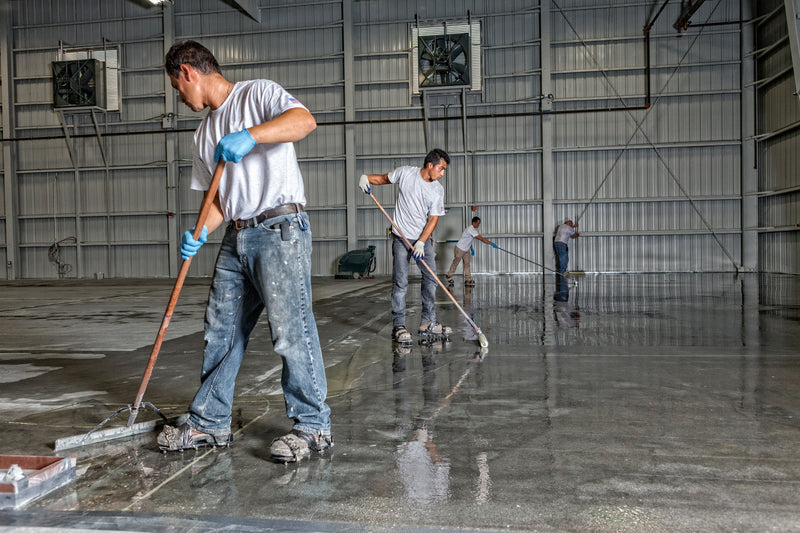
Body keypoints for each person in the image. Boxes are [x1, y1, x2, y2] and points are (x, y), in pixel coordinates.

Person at [156, 40, 332, 464]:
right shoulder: (204, 134)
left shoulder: (258, 94)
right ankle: (210, 422)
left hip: (279, 227)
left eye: (177, 87)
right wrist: (198, 233)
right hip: (236, 236)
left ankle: (314, 426)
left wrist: (251, 135)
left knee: (291, 330)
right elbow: (217, 199)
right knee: (221, 329)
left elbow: (304, 121)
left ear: (187, 72)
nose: (180, 97)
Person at [359, 149, 453, 345]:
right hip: (401, 237)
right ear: (430, 165)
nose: (442, 173)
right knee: (401, 283)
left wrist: (421, 242)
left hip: (422, 240)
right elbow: (384, 179)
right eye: (441, 168)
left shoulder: (437, 189)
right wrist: (366, 178)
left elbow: (433, 219)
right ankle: (399, 326)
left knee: (431, 278)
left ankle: (427, 322)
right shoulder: (405, 173)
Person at [445, 216, 497, 286]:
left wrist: (471, 247)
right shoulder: (470, 229)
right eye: (478, 223)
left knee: (467, 264)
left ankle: (468, 279)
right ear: (474, 222)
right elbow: (481, 238)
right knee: (456, 262)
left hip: (466, 249)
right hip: (460, 248)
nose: (479, 225)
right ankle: (449, 276)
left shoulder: (472, 230)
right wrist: (491, 243)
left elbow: (468, 239)